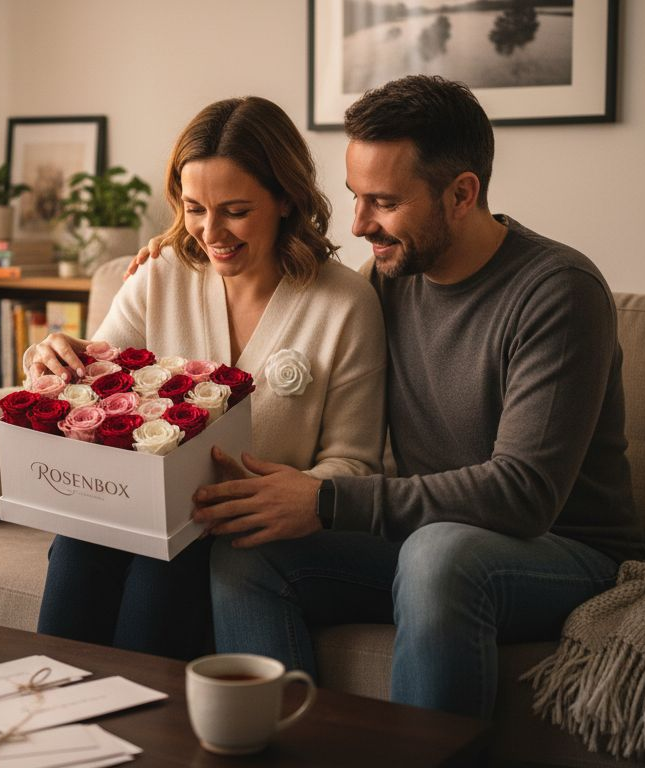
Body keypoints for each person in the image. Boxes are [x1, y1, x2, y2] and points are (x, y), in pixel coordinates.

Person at [128, 75, 644, 718]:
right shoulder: (392, 278)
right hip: (427, 535)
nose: (359, 223)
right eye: (354, 197)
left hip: (561, 553)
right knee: (250, 547)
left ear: (461, 194)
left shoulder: (558, 293)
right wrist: (182, 248)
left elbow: (523, 495)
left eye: (384, 201)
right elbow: (290, 271)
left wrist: (326, 498)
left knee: (439, 554)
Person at [23, 96, 386, 661]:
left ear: (286, 198)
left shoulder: (345, 304)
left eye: (235, 210)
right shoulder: (159, 274)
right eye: (194, 208)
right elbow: (95, 386)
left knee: (166, 566)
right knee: (79, 542)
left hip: (244, 533)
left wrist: (277, 495)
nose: (209, 232)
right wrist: (53, 358)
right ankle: (48, 721)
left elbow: (354, 461)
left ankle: (136, 735)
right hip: (138, 514)